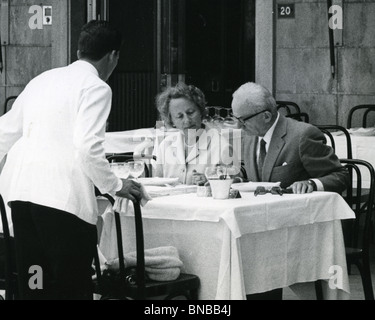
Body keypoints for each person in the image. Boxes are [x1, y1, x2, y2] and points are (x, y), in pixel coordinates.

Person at [0, 20, 142, 300]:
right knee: (72, 286)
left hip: (22, 197)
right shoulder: (97, 87)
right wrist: (116, 186)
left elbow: (4, 132)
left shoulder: (42, 80)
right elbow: (88, 147)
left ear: (79, 51)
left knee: (35, 281)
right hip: (62, 203)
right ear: (113, 56)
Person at [231, 82, 349, 195]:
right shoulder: (250, 135)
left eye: (243, 120)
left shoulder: (303, 136)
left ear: (266, 116)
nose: (238, 126)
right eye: (236, 118)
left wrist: (311, 184)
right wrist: (234, 176)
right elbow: (251, 170)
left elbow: (340, 176)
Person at [153, 83, 239, 185]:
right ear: (172, 121)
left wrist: (212, 181)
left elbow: (237, 181)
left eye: (190, 112)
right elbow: (157, 185)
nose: (187, 120)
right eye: (179, 116)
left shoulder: (221, 146)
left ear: (201, 111)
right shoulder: (165, 145)